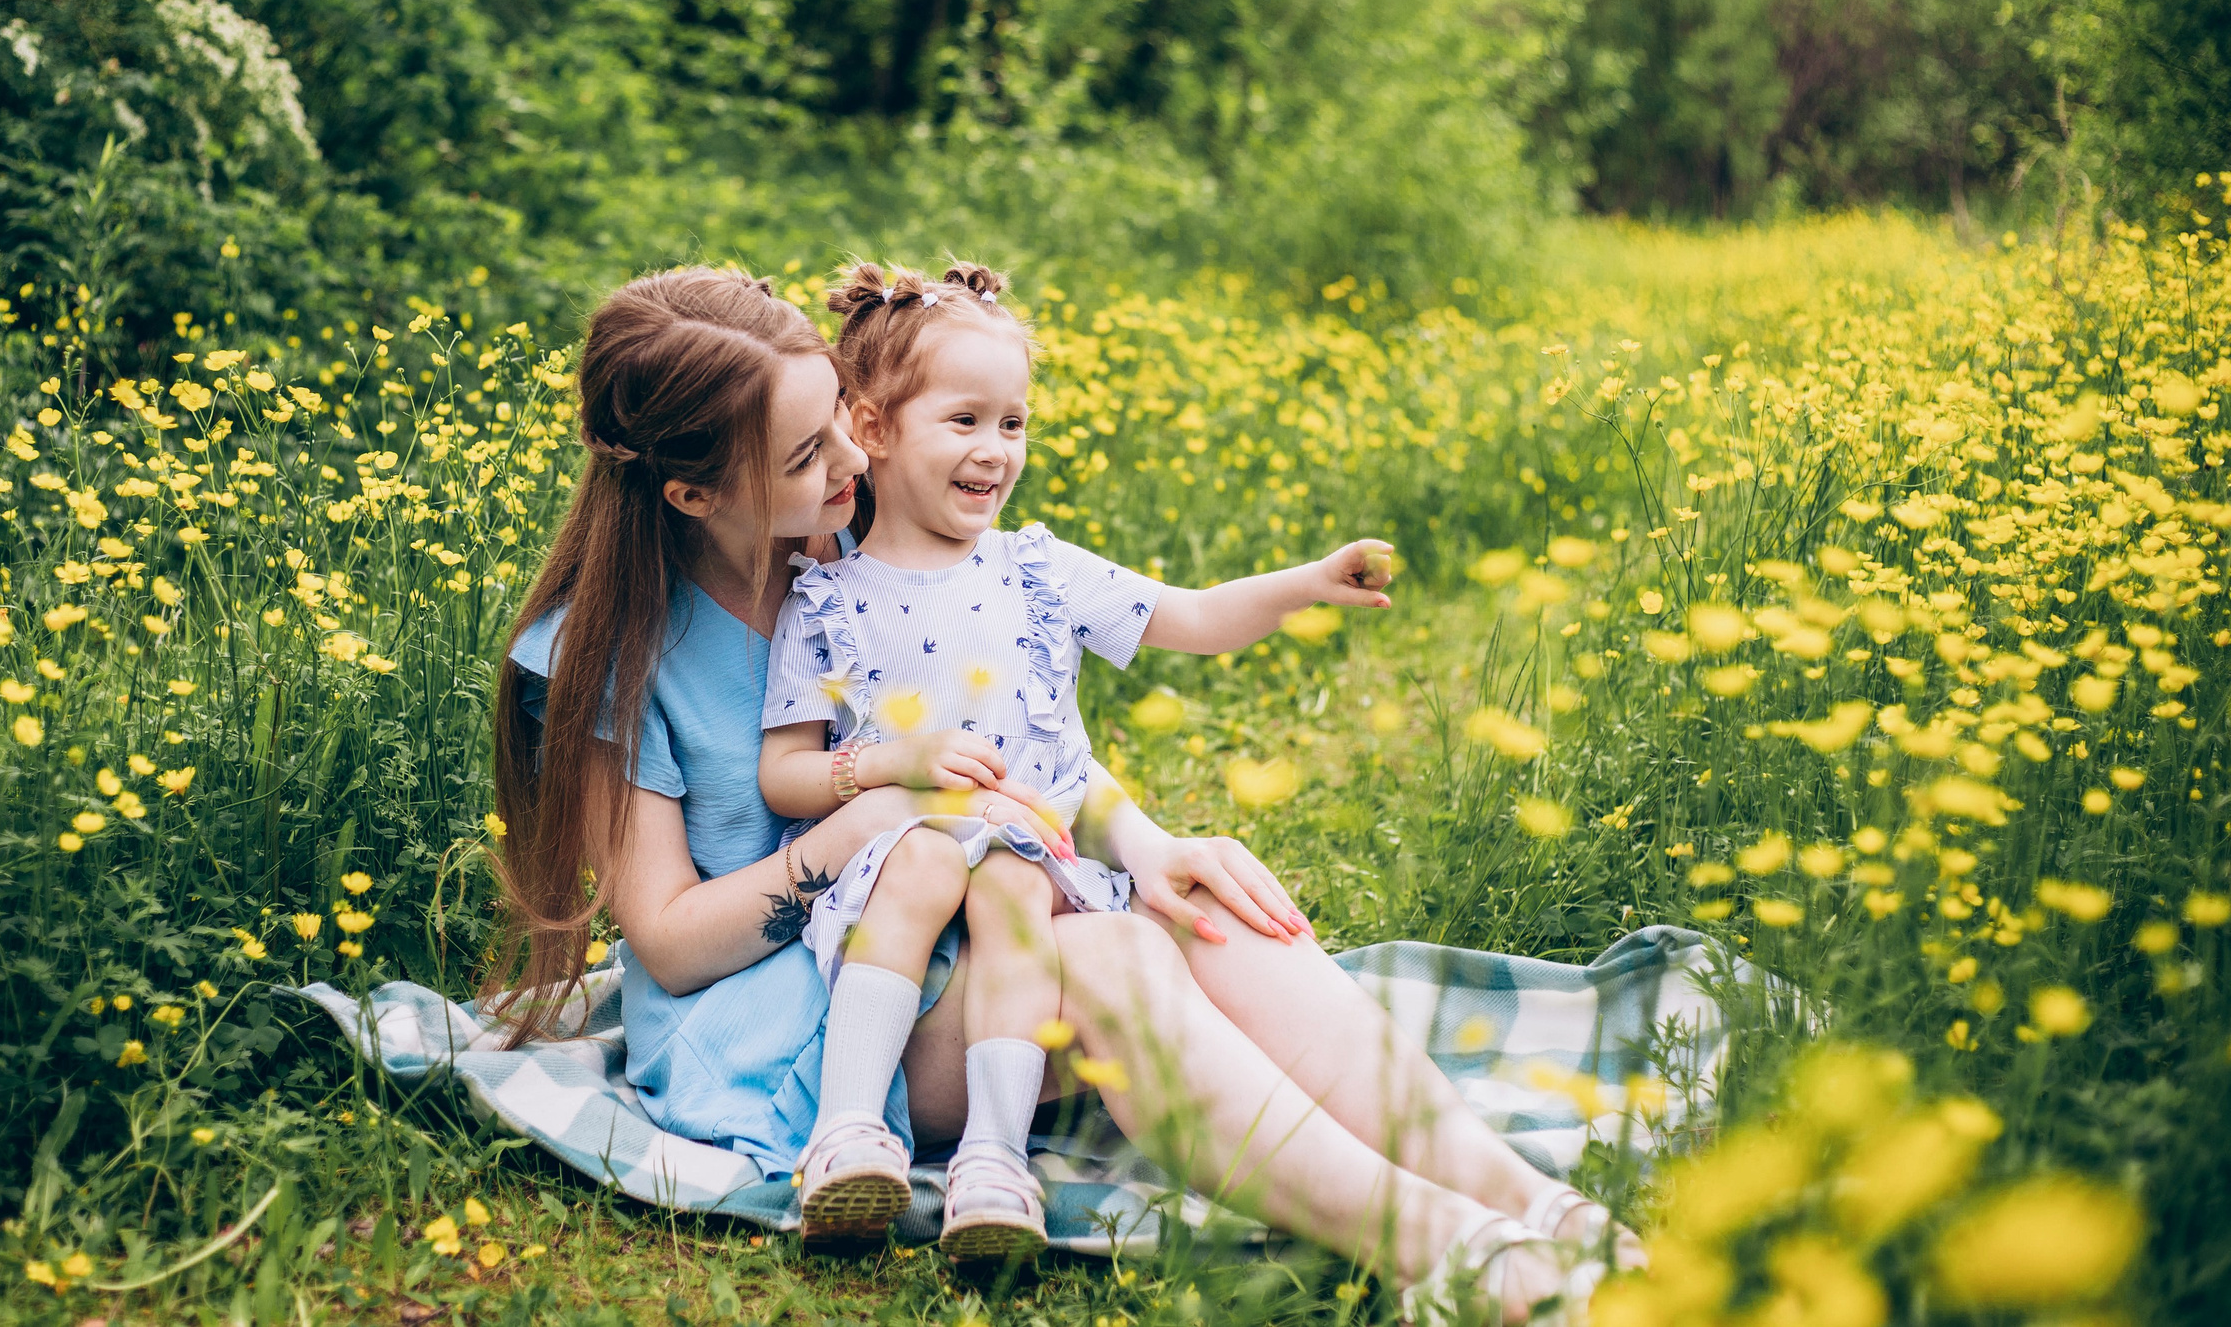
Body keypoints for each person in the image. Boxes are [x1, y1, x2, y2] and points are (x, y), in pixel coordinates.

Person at [486, 266, 1634, 1322]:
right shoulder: (609, 657)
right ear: (694, 494)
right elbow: (675, 946)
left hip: (950, 926)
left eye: (838, 416)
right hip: (786, 1024)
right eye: (802, 455)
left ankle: (1535, 1204)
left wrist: (1142, 838)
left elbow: (1000, 741)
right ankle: (1456, 1251)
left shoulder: (843, 555)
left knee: (1200, 911)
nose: (846, 459)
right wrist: (866, 819)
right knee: (1112, 961)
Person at [757, 260, 1395, 1261]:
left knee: (1012, 881)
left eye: (1011, 424)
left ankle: (994, 1163)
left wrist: (1302, 583)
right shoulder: (825, 602)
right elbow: (784, 776)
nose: (994, 450)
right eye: (963, 421)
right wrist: (887, 766)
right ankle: (847, 1135)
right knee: (927, 858)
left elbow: (1190, 617)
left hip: (1023, 870)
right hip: (897, 887)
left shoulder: (1038, 570)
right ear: (872, 431)